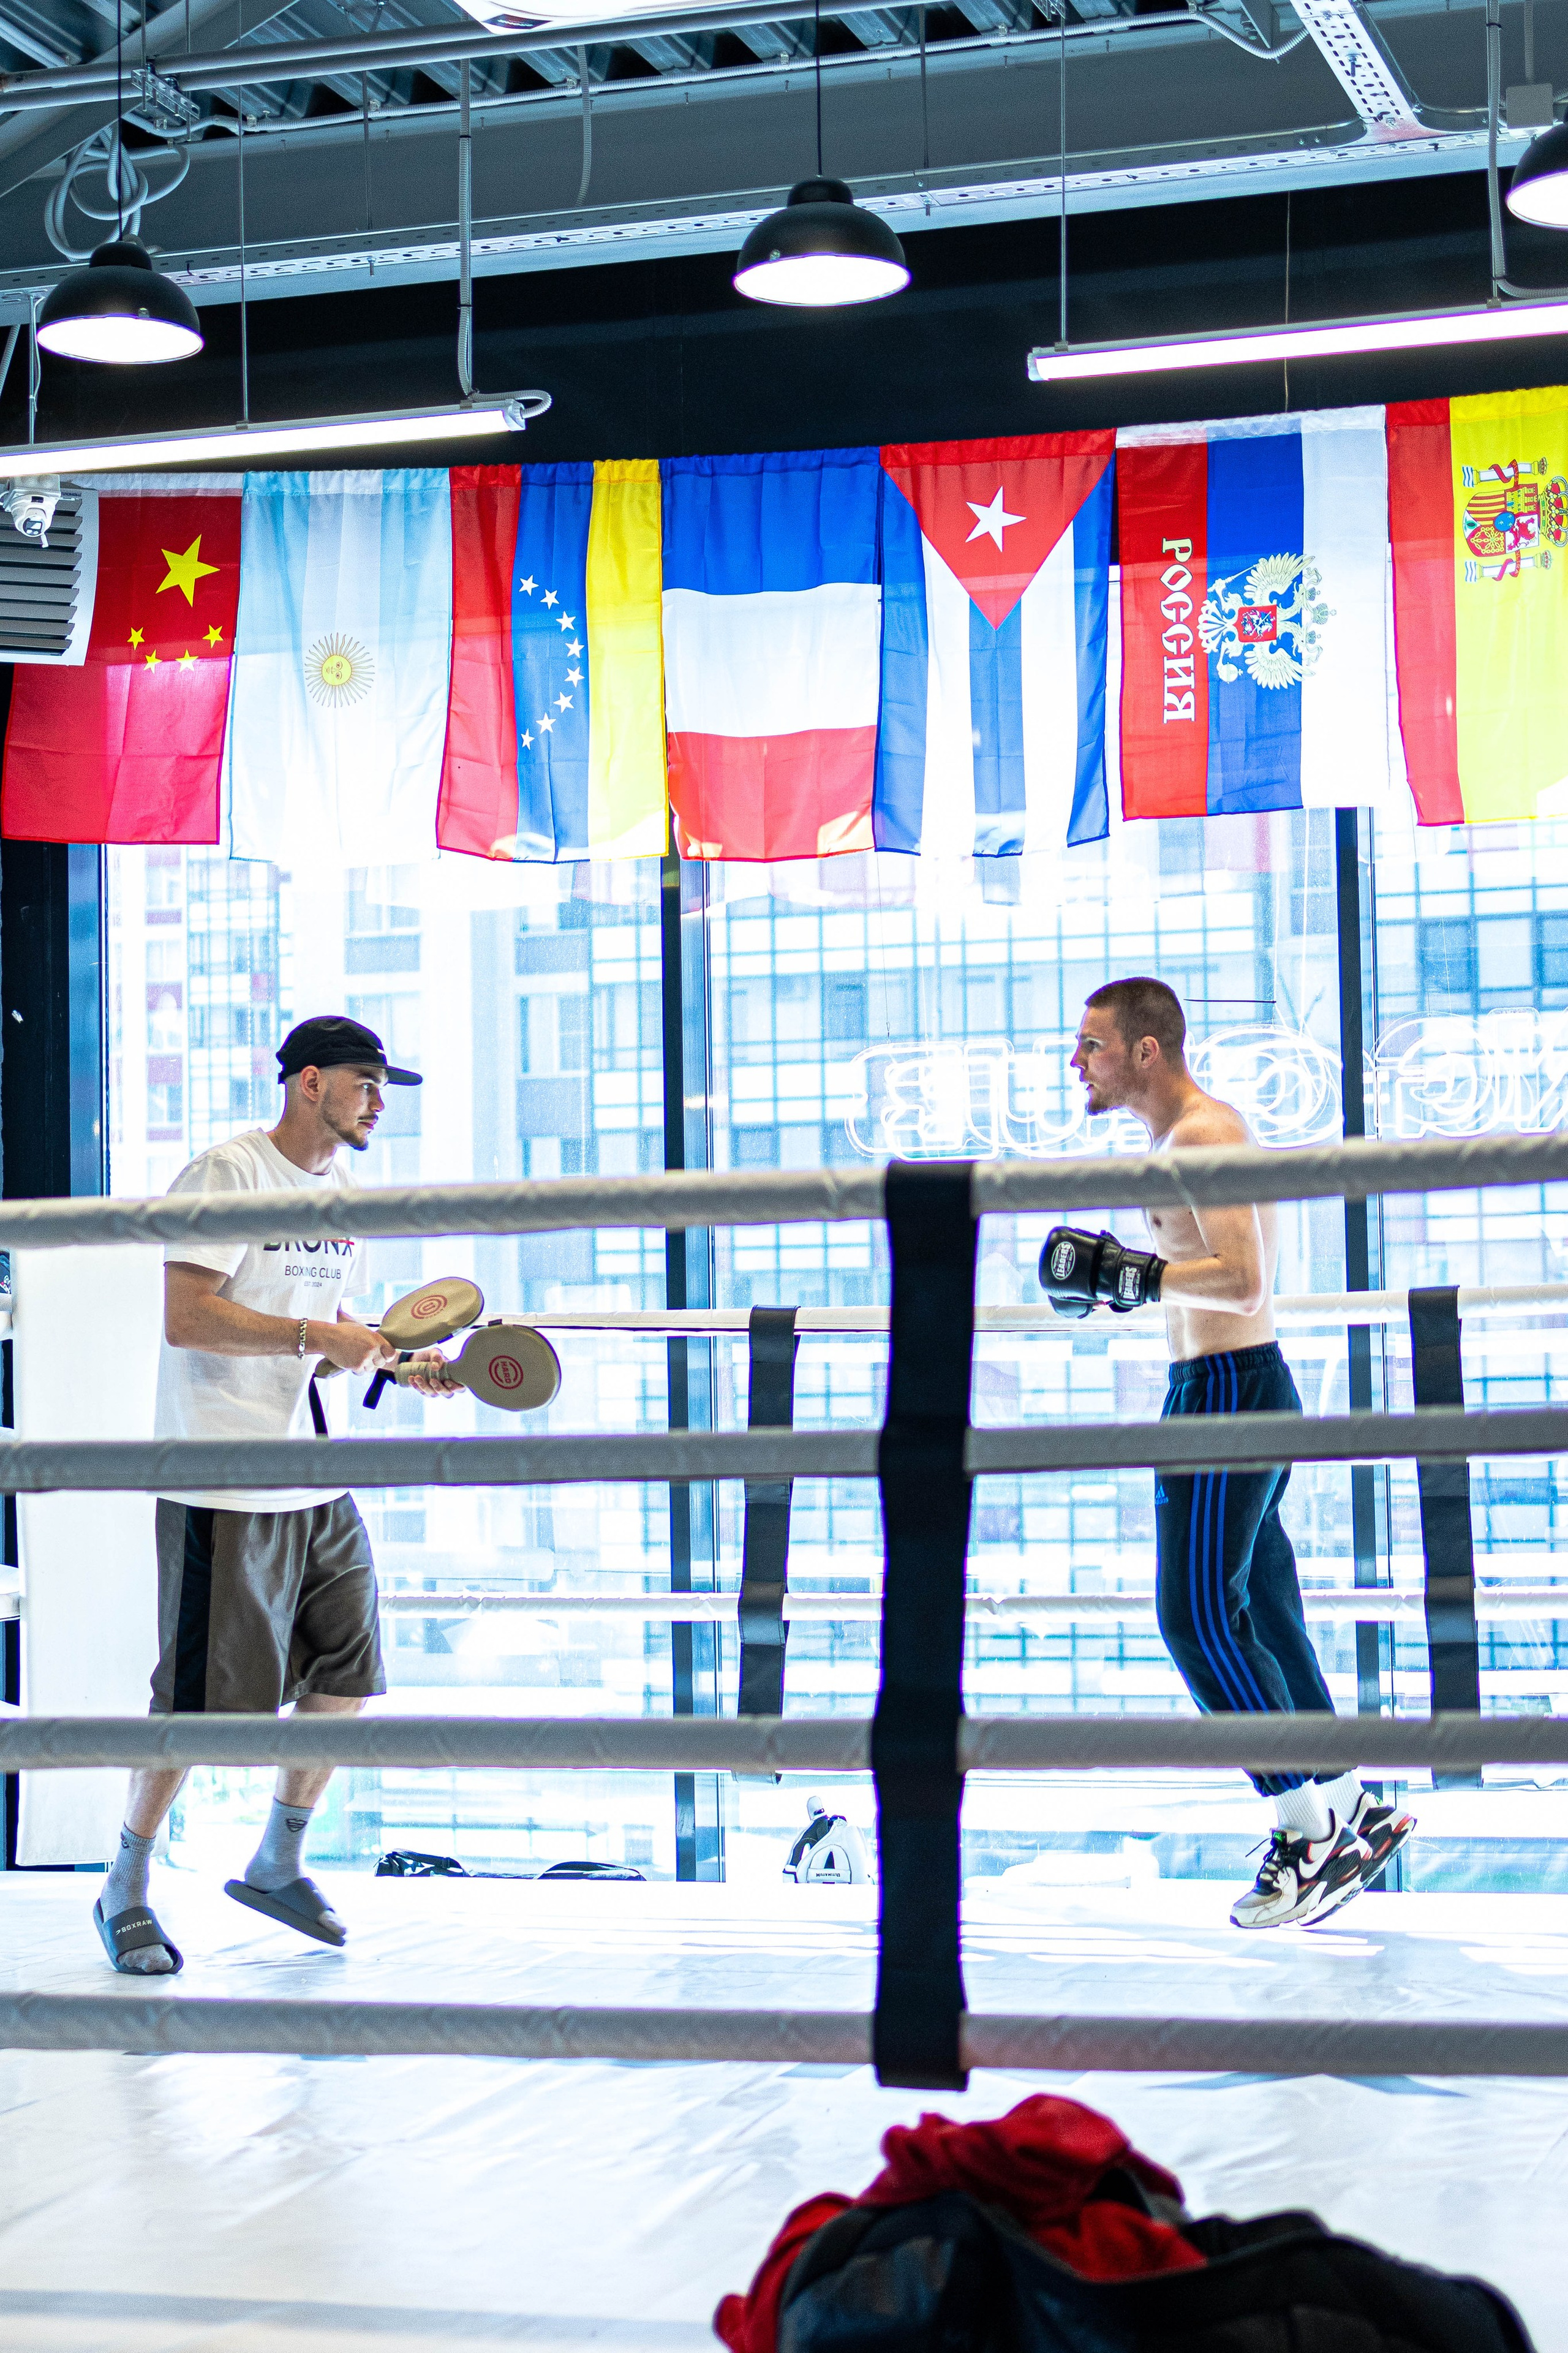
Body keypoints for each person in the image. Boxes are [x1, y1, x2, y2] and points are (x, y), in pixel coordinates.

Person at [1037, 977, 1414, 1930]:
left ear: (1145, 1051)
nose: (1077, 1059)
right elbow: (1196, 1276)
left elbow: (1245, 1282)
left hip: (1230, 1392)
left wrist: (1132, 1273)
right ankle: (1350, 1797)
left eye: (1092, 1044)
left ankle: (1304, 1831)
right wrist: (1130, 1278)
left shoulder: (1205, 1134)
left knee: (1197, 1616)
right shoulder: (1178, 1141)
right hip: (1224, 1388)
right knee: (1267, 1614)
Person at [92, 1014, 457, 1976]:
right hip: (221, 1476)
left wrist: (396, 1357)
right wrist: (314, 1341)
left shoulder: (340, 1192)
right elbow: (187, 1317)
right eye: (366, 1083)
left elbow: (326, 1327)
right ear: (308, 1083)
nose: (378, 1102)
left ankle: (277, 1861)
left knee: (349, 1674)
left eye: (384, 1087)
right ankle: (124, 1883)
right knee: (197, 1706)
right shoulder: (226, 1174)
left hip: (314, 1475)